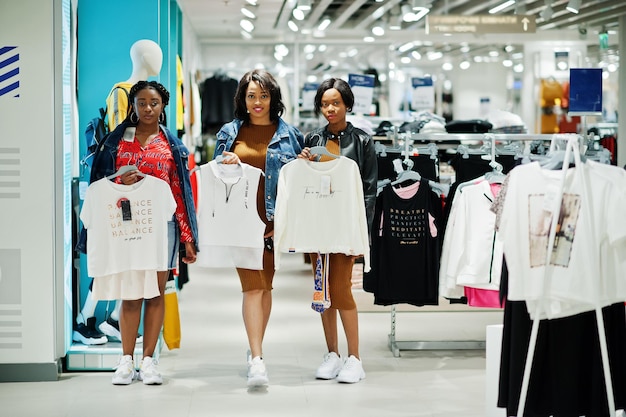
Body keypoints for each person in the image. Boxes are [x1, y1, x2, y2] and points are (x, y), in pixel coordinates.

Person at [78, 80, 198, 385]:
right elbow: (102, 183)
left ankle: (149, 361)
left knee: (155, 293)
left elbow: (179, 192)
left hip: (162, 227)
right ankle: (126, 360)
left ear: (163, 106)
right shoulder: (117, 142)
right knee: (130, 294)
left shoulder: (171, 144)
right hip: (126, 225)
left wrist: (187, 238)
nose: (148, 108)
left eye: (154, 103)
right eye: (142, 102)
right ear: (132, 105)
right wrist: (122, 184)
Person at [214, 69, 304, 387]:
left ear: (273, 98)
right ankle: (257, 359)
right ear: (243, 99)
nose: (257, 102)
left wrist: (282, 221)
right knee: (252, 287)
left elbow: (297, 183)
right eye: (251, 96)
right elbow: (215, 180)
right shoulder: (229, 133)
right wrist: (222, 168)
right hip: (241, 222)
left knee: (266, 287)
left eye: (263, 96)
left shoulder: (291, 135)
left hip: (272, 223)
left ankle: (256, 350)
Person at [74, 39, 164, 346]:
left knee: (126, 253)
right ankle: (85, 318)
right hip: (117, 187)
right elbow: (117, 142)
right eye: (154, 54)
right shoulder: (123, 92)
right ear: (141, 56)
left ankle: (112, 319)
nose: (159, 59)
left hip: (135, 188)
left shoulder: (146, 94)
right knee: (112, 255)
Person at [298, 78, 377, 384]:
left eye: (336, 103)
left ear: (347, 104)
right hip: (319, 224)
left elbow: (370, 190)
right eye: (325, 103)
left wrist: (362, 234)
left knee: (341, 288)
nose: (330, 108)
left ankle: (355, 357)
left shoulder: (364, 141)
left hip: (346, 225)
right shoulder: (313, 138)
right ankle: (332, 353)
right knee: (323, 290)